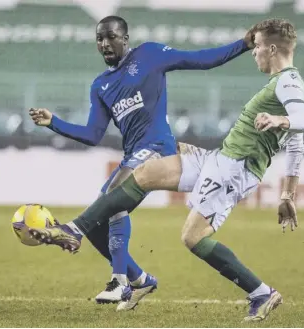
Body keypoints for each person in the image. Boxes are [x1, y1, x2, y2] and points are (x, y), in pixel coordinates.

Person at [29, 15, 255, 311]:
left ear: (125, 38)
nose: (105, 43)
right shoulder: (101, 86)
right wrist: (53, 122)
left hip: (159, 148)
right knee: (100, 220)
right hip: (133, 155)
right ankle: (141, 279)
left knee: (113, 195)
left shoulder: (148, 55)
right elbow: (93, 134)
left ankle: (119, 281)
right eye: (100, 38)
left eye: (111, 37)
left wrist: (243, 44)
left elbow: (200, 59)